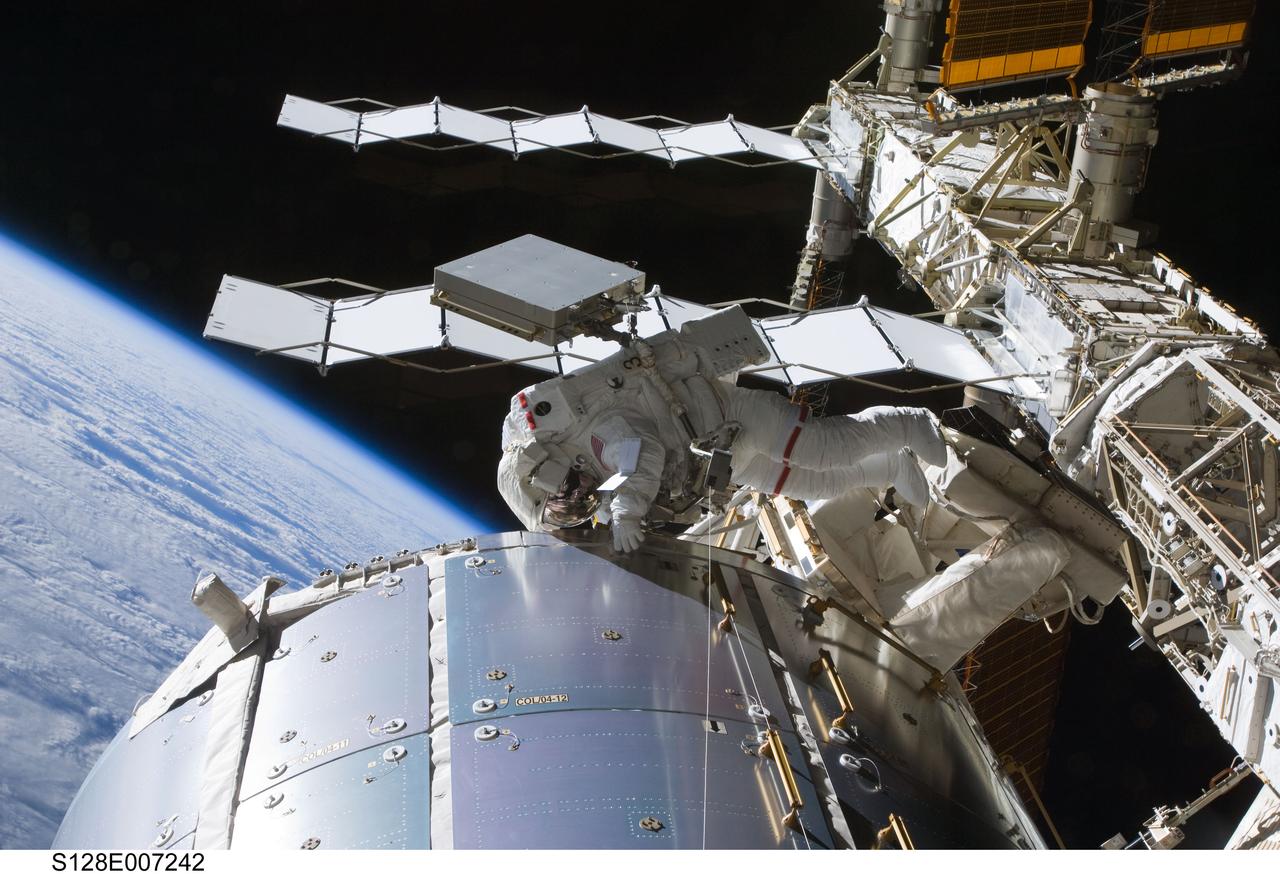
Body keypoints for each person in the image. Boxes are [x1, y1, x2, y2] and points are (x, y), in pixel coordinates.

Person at [497, 306, 946, 552]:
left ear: (547, 475)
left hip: (734, 416)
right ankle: (890, 467)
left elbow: (641, 450)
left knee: (827, 450)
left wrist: (627, 512)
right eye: (566, 514)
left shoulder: (592, 434)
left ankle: (910, 424)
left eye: (562, 503)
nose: (575, 504)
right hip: (722, 455)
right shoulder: (591, 469)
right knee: (815, 483)